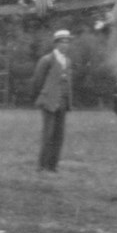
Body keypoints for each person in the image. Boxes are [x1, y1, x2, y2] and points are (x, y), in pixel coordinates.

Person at [33, 29, 74, 172]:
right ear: (56, 43)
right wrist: (44, 95)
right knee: (48, 134)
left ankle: (53, 165)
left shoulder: (67, 61)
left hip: (62, 102)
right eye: (63, 41)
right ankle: (42, 165)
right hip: (49, 101)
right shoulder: (47, 60)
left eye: (68, 42)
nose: (66, 45)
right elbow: (38, 80)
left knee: (59, 135)